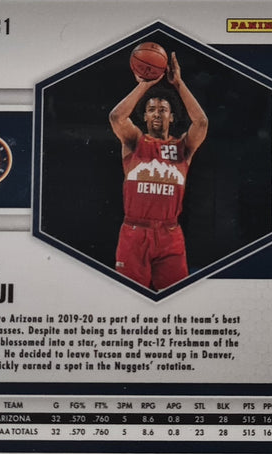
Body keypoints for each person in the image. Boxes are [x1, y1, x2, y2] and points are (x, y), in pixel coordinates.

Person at [109, 52, 208, 290]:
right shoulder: (134, 141)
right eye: (151, 109)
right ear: (144, 116)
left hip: (170, 233)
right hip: (135, 231)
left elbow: (202, 123)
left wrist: (179, 83)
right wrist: (146, 84)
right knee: (129, 297)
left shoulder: (183, 147)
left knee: (175, 298)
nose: (156, 113)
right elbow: (116, 117)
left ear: (171, 117)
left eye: (162, 109)